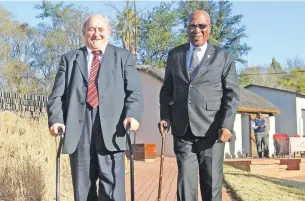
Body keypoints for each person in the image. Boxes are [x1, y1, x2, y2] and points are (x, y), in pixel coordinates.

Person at [47, 14, 143, 201]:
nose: (96, 34)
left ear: (109, 32)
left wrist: (132, 115)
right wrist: (56, 119)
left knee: (113, 191)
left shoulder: (123, 57)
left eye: (101, 29)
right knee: (83, 192)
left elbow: (135, 93)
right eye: (91, 29)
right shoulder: (69, 59)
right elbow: (56, 96)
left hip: (113, 130)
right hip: (79, 130)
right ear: (84, 33)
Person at [158, 10, 240, 201]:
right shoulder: (175, 55)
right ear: (187, 28)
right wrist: (165, 116)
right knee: (185, 187)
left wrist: (227, 124)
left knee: (211, 187)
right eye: (192, 26)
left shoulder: (223, 56)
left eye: (202, 26)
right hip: (182, 130)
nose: (197, 30)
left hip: (212, 132)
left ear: (209, 28)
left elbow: (232, 94)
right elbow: (166, 90)